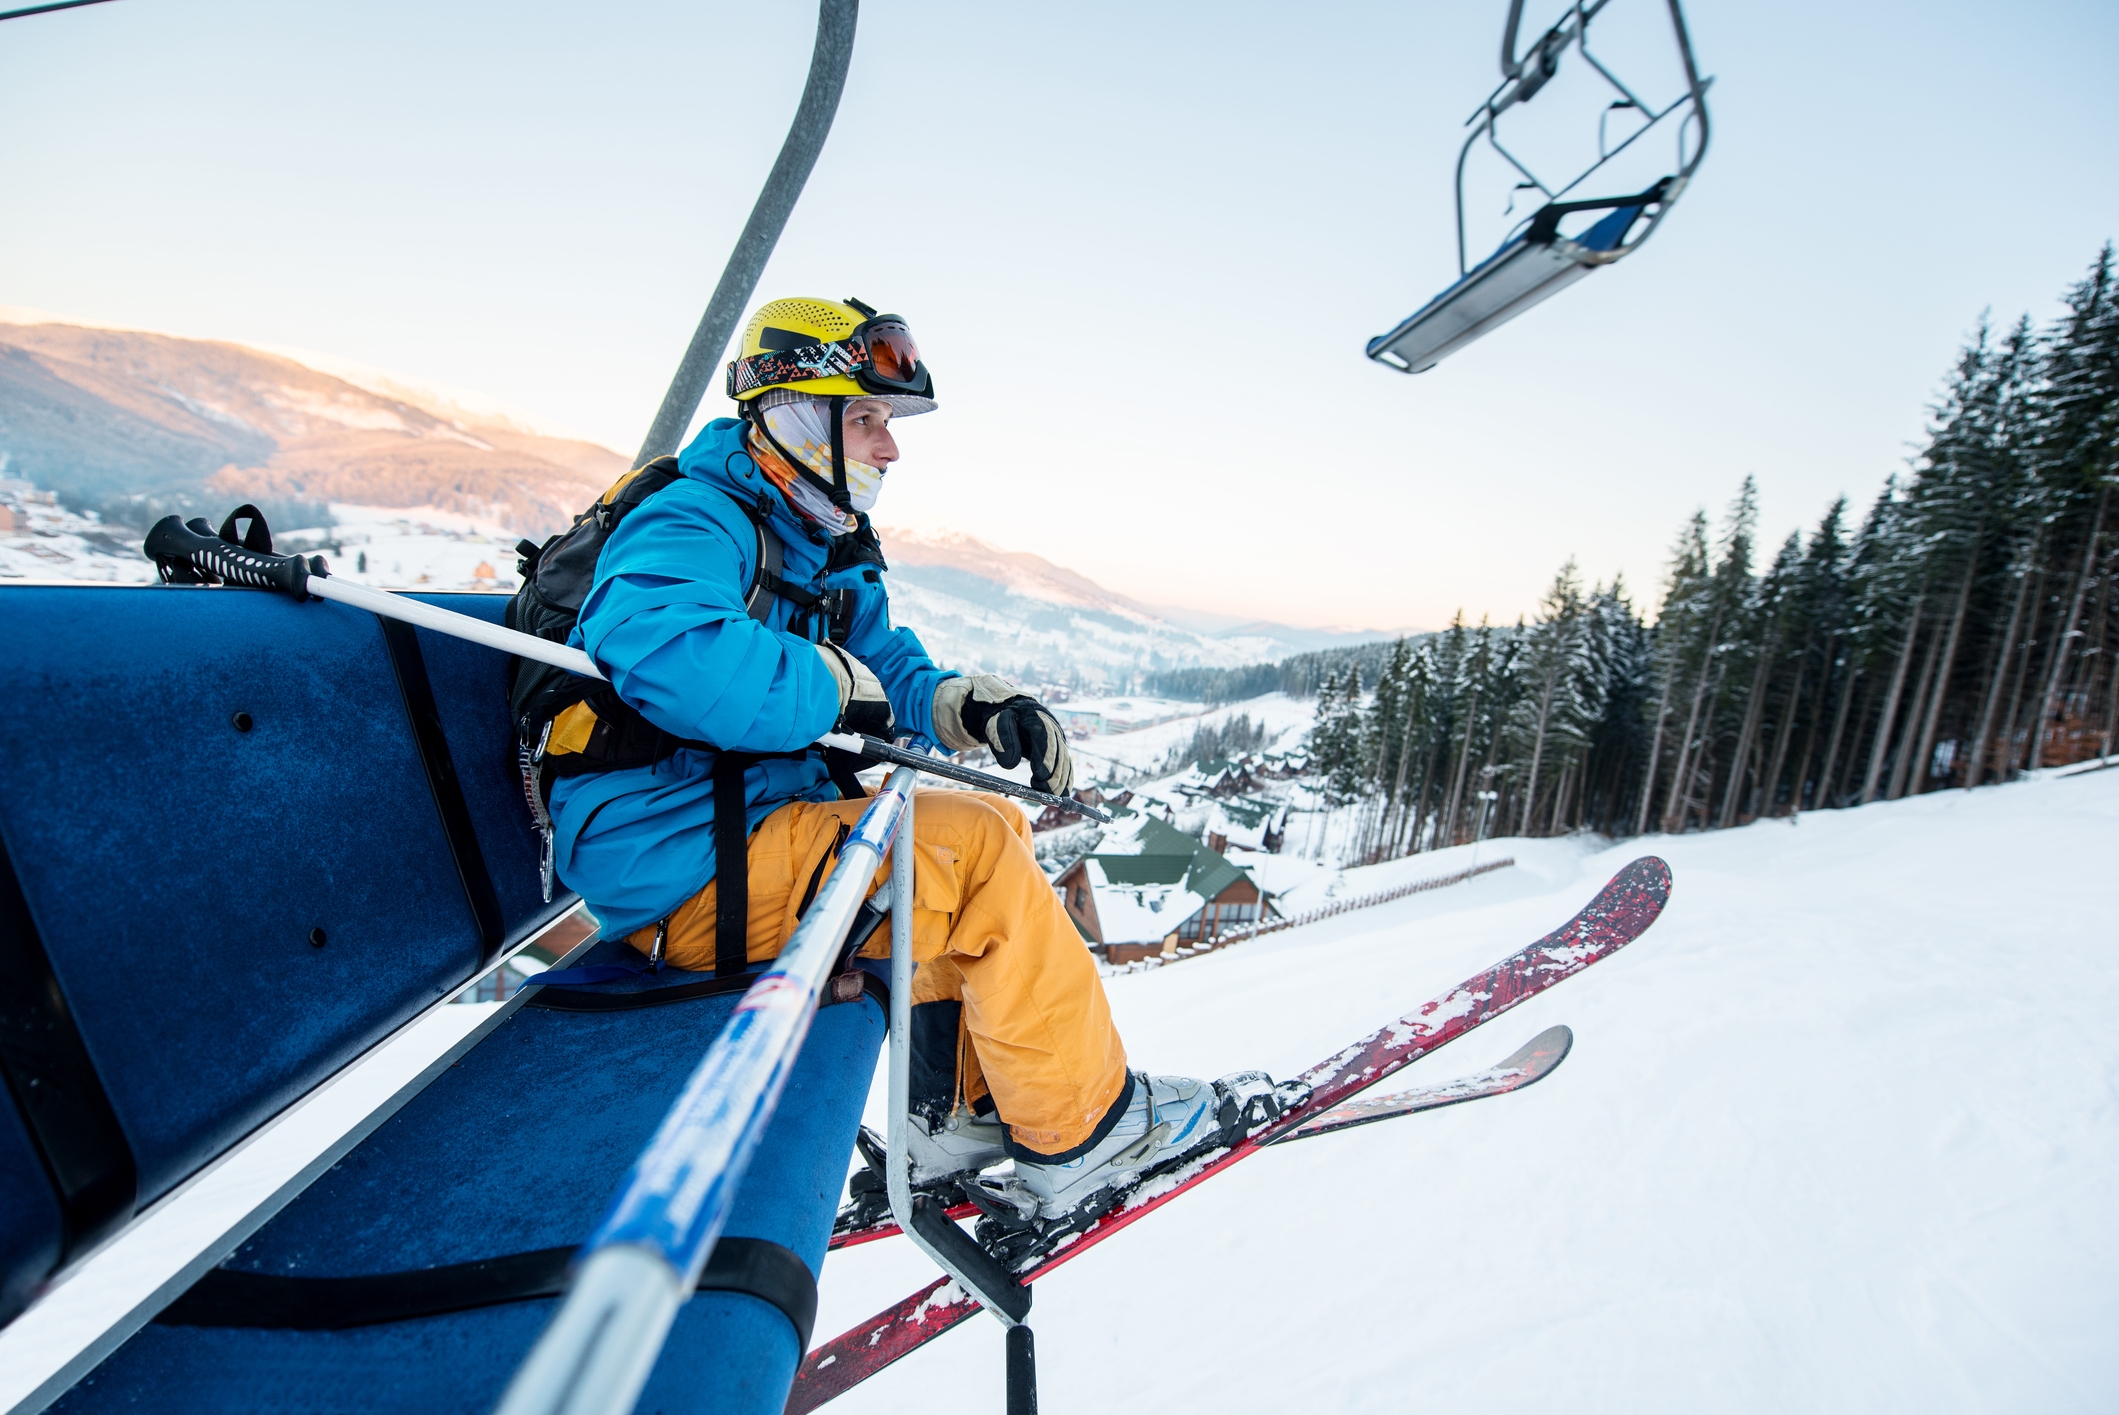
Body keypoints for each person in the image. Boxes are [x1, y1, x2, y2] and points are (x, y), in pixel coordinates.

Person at [544, 296, 1299, 1218]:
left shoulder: (812, 535)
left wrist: (962, 706)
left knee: (982, 832)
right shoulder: (698, 519)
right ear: (790, 410)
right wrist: (831, 686)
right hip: (685, 874)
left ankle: (954, 1112)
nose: (888, 448)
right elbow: (662, 649)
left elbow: (879, 666)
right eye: (863, 418)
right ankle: (1086, 1134)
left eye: (886, 423)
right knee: (967, 848)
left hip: (742, 837)